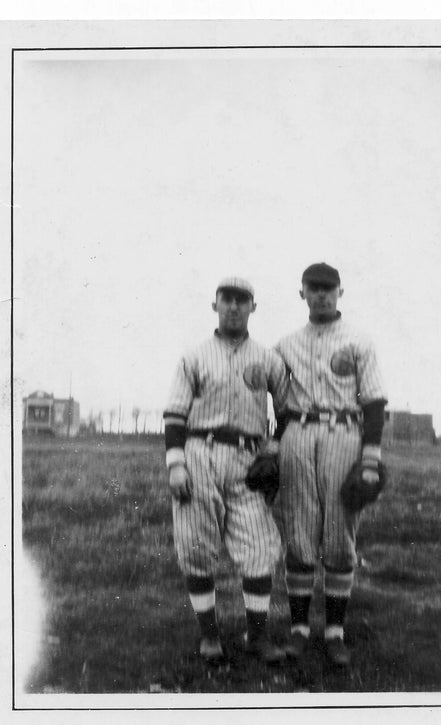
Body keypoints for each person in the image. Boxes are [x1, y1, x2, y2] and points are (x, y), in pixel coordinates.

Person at [163, 277, 288, 664]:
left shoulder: (268, 359)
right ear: (214, 305)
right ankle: (210, 635)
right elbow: (174, 415)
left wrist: (273, 448)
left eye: (242, 299)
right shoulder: (195, 357)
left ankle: (258, 636)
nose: (234, 306)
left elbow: (286, 410)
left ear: (253, 306)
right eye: (227, 299)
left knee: (260, 548)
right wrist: (176, 464)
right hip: (200, 451)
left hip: (247, 459)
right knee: (197, 547)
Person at [275, 262, 387, 666]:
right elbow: (277, 407)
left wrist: (371, 458)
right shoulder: (284, 345)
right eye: (313, 287)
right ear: (301, 292)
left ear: (341, 292)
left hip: (344, 432)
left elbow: (374, 402)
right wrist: (274, 446)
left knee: (340, 534)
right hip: (298, 435)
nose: (321, 294)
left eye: (329, 288)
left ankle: (335, 631)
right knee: (300, 533)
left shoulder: (359, 341)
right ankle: (300, 629)